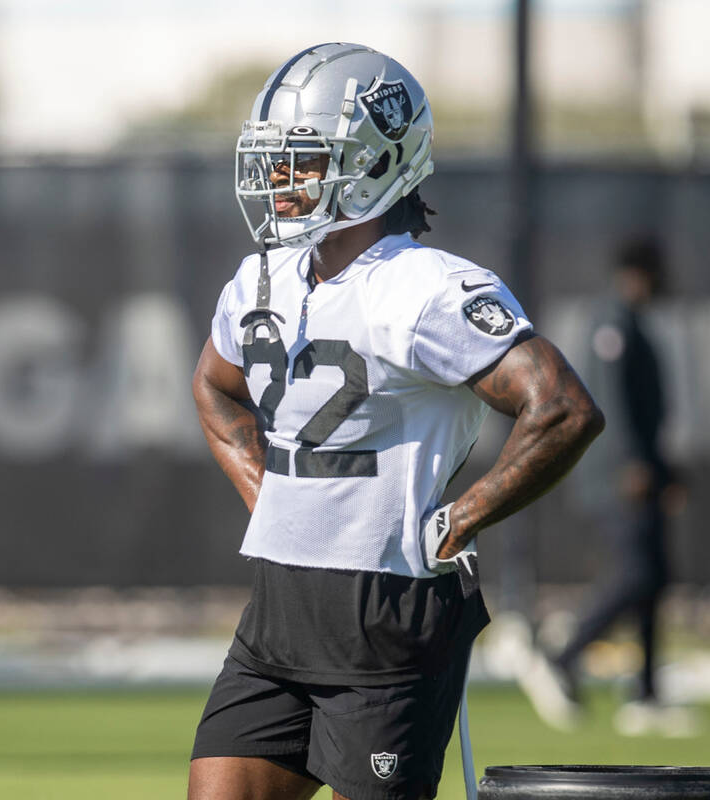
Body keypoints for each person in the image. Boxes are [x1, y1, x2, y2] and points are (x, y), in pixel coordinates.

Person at [189, 43, 604, 800]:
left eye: (305, 160)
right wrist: (269, 493)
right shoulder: (262, 276)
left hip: (392, 611)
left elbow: (563, 406)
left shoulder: (427, 288)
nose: (280, 180)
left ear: (377, 162)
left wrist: (465, 514)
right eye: (275, 161)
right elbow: (215, 391)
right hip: (279, 609)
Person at [518, 236, 695, 736]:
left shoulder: (634, 321)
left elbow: (646, 410)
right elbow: (611, 400)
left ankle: (646, 693)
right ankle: (561, 657)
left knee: (655, 576)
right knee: (637, 573)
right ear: (643, 272)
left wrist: (666, 469)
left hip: (643, 473)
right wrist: (635, 465)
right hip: (620, 479)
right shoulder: (611, 321)